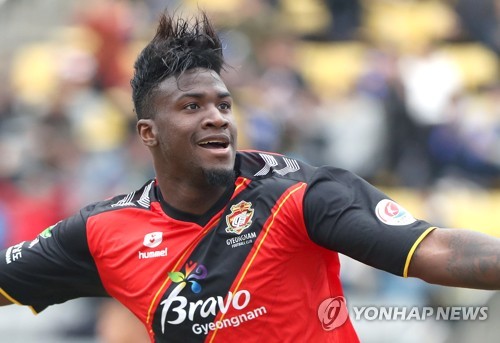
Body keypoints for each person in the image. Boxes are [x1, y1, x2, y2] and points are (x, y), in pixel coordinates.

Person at [0, 10, 499, 343]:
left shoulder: (298, 194)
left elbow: (438, 251)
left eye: (223, 104)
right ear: (148, 133)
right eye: (192, 106)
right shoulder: (103, 231)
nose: (218, 117)